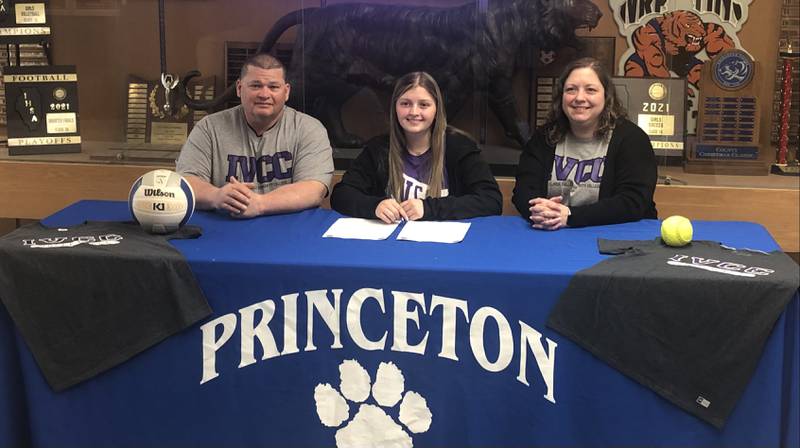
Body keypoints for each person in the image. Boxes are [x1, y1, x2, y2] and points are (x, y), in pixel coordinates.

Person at [330, 72, 502, 223]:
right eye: (405, 103)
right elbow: (341, 195)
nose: (414, 112)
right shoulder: (378, 149)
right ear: (395, 108)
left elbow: (491, 200)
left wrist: (428, 209)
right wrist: (374, 206)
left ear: (437, 109)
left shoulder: (459, 147)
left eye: (424, 105)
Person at [176, 54, 333, 218]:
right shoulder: (209, 128)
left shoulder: (309, 129)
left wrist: (260, 204)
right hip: (225, 227)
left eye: (273, 87)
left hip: (290, 230)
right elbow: (186, 182)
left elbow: (314, 189)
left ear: (286, 92)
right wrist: (217, 196)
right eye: (256, 85)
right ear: (239, 88)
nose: (264, 94)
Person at [513, 57, 657, 230]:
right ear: (561, 96)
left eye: (590, 90)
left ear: (606, 96)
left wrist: (571, 216)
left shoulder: (632, 139)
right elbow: (523, 190)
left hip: (615, 234)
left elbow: (632, 202)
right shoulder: (543, 137)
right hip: (551, 232)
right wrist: (541, 211)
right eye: (571, 90)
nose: (579, 98)